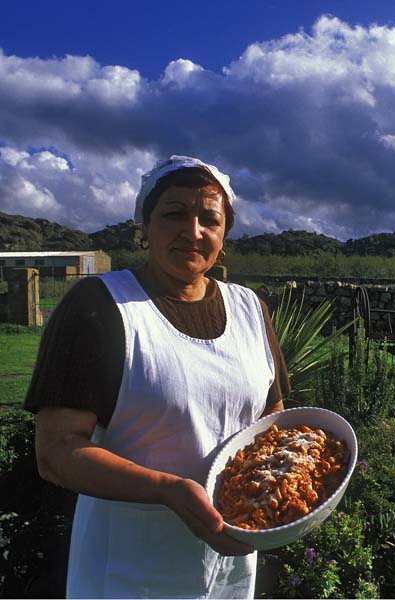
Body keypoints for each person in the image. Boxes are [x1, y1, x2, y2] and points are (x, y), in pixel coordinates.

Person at [24, 155, 290, 599]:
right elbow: (55, 451)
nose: (193, 231)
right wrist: (168, 490)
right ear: (144, 226)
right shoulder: (100, 307)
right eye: (174, 214)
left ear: (224, 237)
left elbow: (271, 419)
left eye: (210, 219)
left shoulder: (249, 309)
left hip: (230, 565)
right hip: (128, 570)